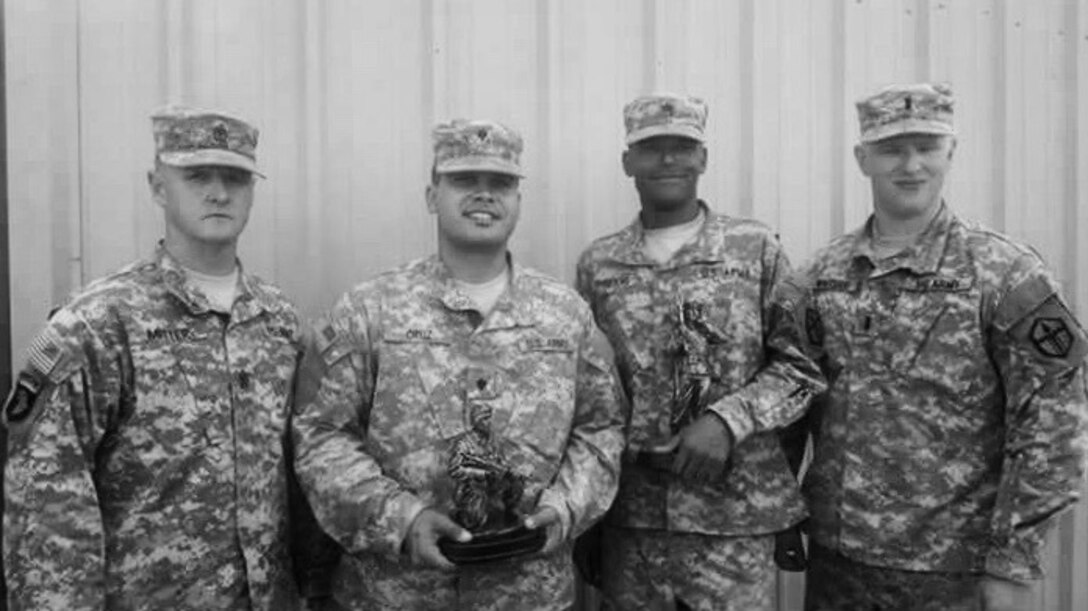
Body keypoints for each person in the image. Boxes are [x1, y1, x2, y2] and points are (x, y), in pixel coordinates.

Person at [2, 106, 336, 609]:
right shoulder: (98, 323)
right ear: (158, 186)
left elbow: (301, 473)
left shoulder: (279, 320)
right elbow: (46, 504)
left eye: (236, 179)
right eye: (197, 176)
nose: (219, 193)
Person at [291, 118, 629, 610]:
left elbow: (603, 429)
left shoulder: (566, 314)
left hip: (528, 595)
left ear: (518, 200)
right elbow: (321, 436)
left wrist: (566, 506)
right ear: (432, 196)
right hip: (395, 595)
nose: (484, 195)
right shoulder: (370, 310)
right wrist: (400, 519)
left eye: (501, 184)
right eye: (465, 181)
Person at [793, 82, 1088, 611]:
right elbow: (792, 398)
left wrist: (1012, 561)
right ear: (863, 159)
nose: (911, 165)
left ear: (951, 151)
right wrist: (781, 510)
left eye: (927, 146)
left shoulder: (1004, 273)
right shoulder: (822, 275)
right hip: (839, 565)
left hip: (953, 571)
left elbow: (1055, 422)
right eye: (891, 149)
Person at [574, 93, 825, 610]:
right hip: (633, 523)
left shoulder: (754, 249)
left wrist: (726, 421)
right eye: (652, 148)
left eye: (682, 146)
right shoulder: (599, 265)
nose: (668, 159)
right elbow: (585, 391)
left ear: (703, 158)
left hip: (733, 524)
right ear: (629, 163)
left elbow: (802, 369)